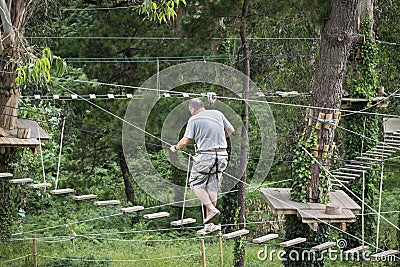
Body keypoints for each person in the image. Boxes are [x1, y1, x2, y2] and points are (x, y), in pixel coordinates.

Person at [170, 98, 235, 234]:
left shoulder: (193, 120)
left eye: (191, 111)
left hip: (206, 156)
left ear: (192, 109)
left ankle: (211, 209)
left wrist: (175, 147)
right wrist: (221, 139)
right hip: (222, 156)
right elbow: (231, 130)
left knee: (195, 184)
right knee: (212, 187)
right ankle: (209, 224)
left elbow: (185, 141)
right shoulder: (218, 113)